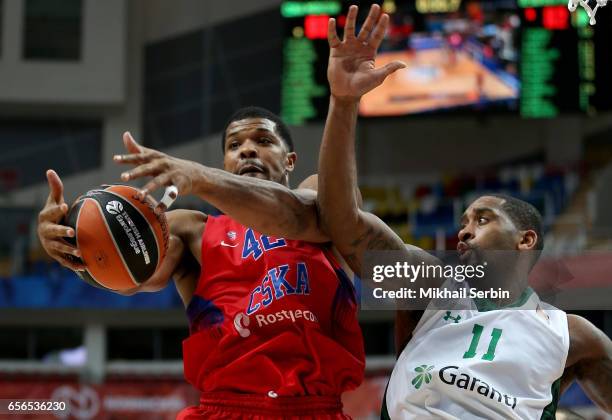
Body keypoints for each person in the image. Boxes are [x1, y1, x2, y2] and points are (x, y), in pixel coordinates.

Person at [314, 3, 612, 418]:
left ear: (525, 240)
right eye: (463, 223)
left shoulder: (572, 335)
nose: (464, 232)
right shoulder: (428, 285)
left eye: (482, 220)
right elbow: (341, 222)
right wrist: (343, 103)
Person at [37, 106, 365, 419]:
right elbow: (134, 278)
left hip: (315, 409)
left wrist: (201, 178)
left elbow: (304, 214)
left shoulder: (320, 196)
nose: (247, 151)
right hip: (223, 408)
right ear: (223, 164)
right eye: (235, 145)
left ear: (290, 160)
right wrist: (70, 245)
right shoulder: (193, 230)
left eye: (263, 141)